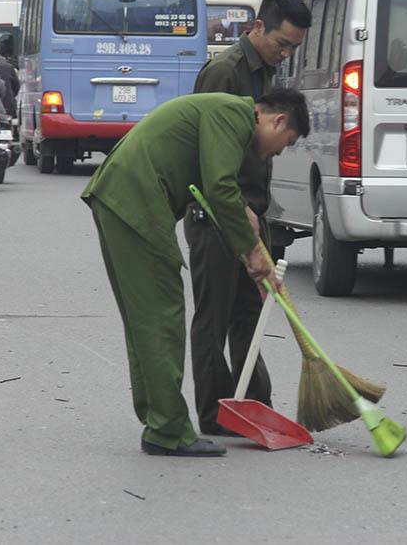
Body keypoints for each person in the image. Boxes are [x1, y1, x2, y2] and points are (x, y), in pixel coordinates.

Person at [82, 89, 309, 457]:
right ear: (277, 120)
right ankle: (167, 430)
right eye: (287, 142)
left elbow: (213, 183)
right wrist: (253, 252)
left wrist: (243, 216)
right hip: (135, 199)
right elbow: (219, 186)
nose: (279, 152)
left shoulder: (223, 112)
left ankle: (159, 418)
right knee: (162, 314)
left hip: (123, 195)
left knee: (147, 317)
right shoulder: (236, 114)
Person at [185, 0, 311, 436]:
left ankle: (254, 407)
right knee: (213, 318)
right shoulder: (224, 73)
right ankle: (212, 414)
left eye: (294, 48)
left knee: (249, 315)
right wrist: (237, 209)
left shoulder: (269, 75)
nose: (285, 53)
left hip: (255, 211)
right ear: (257, 28)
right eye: (281, 43)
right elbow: (207, 158)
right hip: (217, 213)